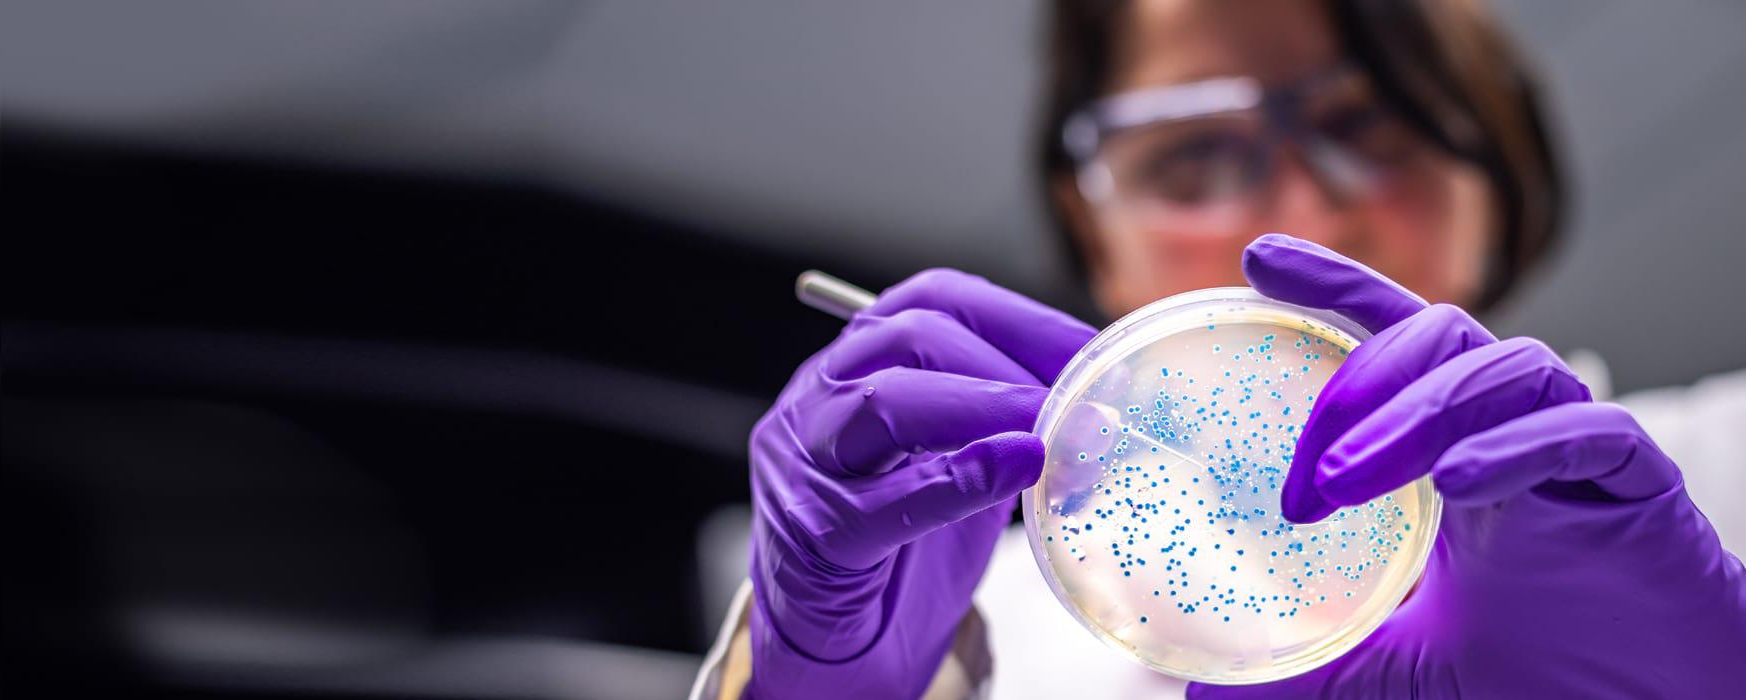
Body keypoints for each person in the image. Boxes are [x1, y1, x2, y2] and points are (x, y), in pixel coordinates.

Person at [692, 0, 1746, 698]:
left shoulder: (1726, 464)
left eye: (1370, 128)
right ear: (1092, 224)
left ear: (1496, 180)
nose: (1297, 209)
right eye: (1193, 154)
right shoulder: (1004, 626)